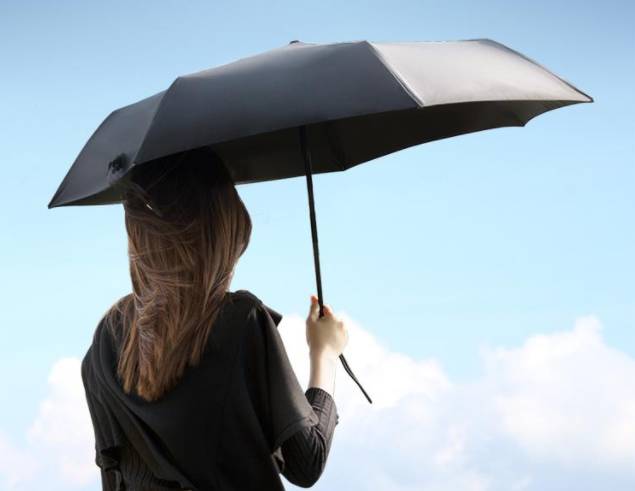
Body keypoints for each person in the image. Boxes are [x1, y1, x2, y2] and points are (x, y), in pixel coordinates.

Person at [80, 146, 349, 490]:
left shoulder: (106, 338)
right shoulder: (239, 322)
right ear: (224, 227)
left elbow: (114, 480)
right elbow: (305, 461)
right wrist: (323, 353)